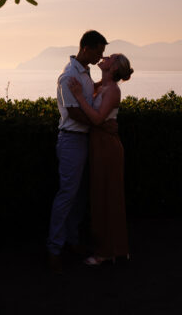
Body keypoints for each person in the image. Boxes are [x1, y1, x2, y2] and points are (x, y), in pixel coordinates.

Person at [47, 30, 107, 275]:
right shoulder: (69, 75)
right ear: (86, 48)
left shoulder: (84, 73)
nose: (100, 56)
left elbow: (87, 96)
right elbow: (73, 112)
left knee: (79, 195)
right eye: (98, 52)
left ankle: (71, 241)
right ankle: (53, 250)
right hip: (72, 140)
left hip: (83, 140)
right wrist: (99, 122)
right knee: (67, 195)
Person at [68, 53, 133, 265]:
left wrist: (77, 96)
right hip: (99, 144)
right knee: (100, 196)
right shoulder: (102, 86)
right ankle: (113, 249)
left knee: (107, 197)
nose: (104, 57)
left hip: (107, 147)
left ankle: (107, 251)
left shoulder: (113, 90)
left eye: (110, 57)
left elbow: (96, 119)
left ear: (113, 68)